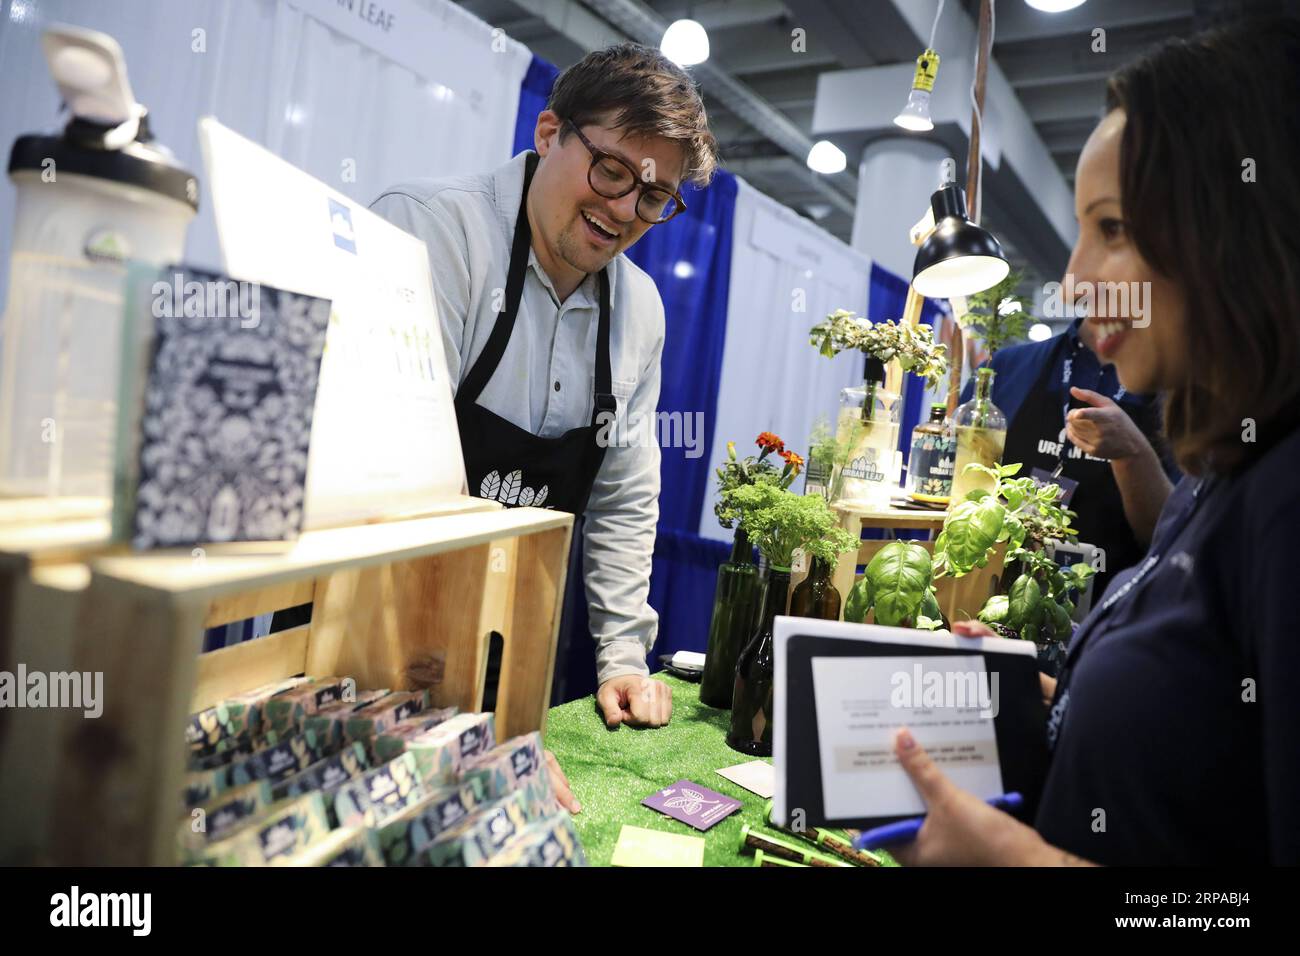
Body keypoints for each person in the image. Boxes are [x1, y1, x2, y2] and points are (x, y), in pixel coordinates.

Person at [892, 17, 1300, 865]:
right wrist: (1037, 693)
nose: (1075, 279)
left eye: (1111, 229)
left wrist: (1018, 862)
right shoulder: (1222, 478)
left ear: (1238, 225)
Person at [370, 44, 719, 742]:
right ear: (550, 133)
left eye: (652, 197)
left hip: (513, 643)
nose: (623, 210)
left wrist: (622, 656)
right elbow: (395, 474)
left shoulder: (641, 310)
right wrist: (456, 725)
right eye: (612, 169)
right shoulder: (431, 229)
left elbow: (621, 496)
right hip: (370, 626)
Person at [958, 307, 1176, 601]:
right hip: (986, 601)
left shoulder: (1179, 390)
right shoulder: (1007, 368)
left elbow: (1175, 534)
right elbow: (957, 499)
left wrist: (1133, 453)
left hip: (1112, 612)